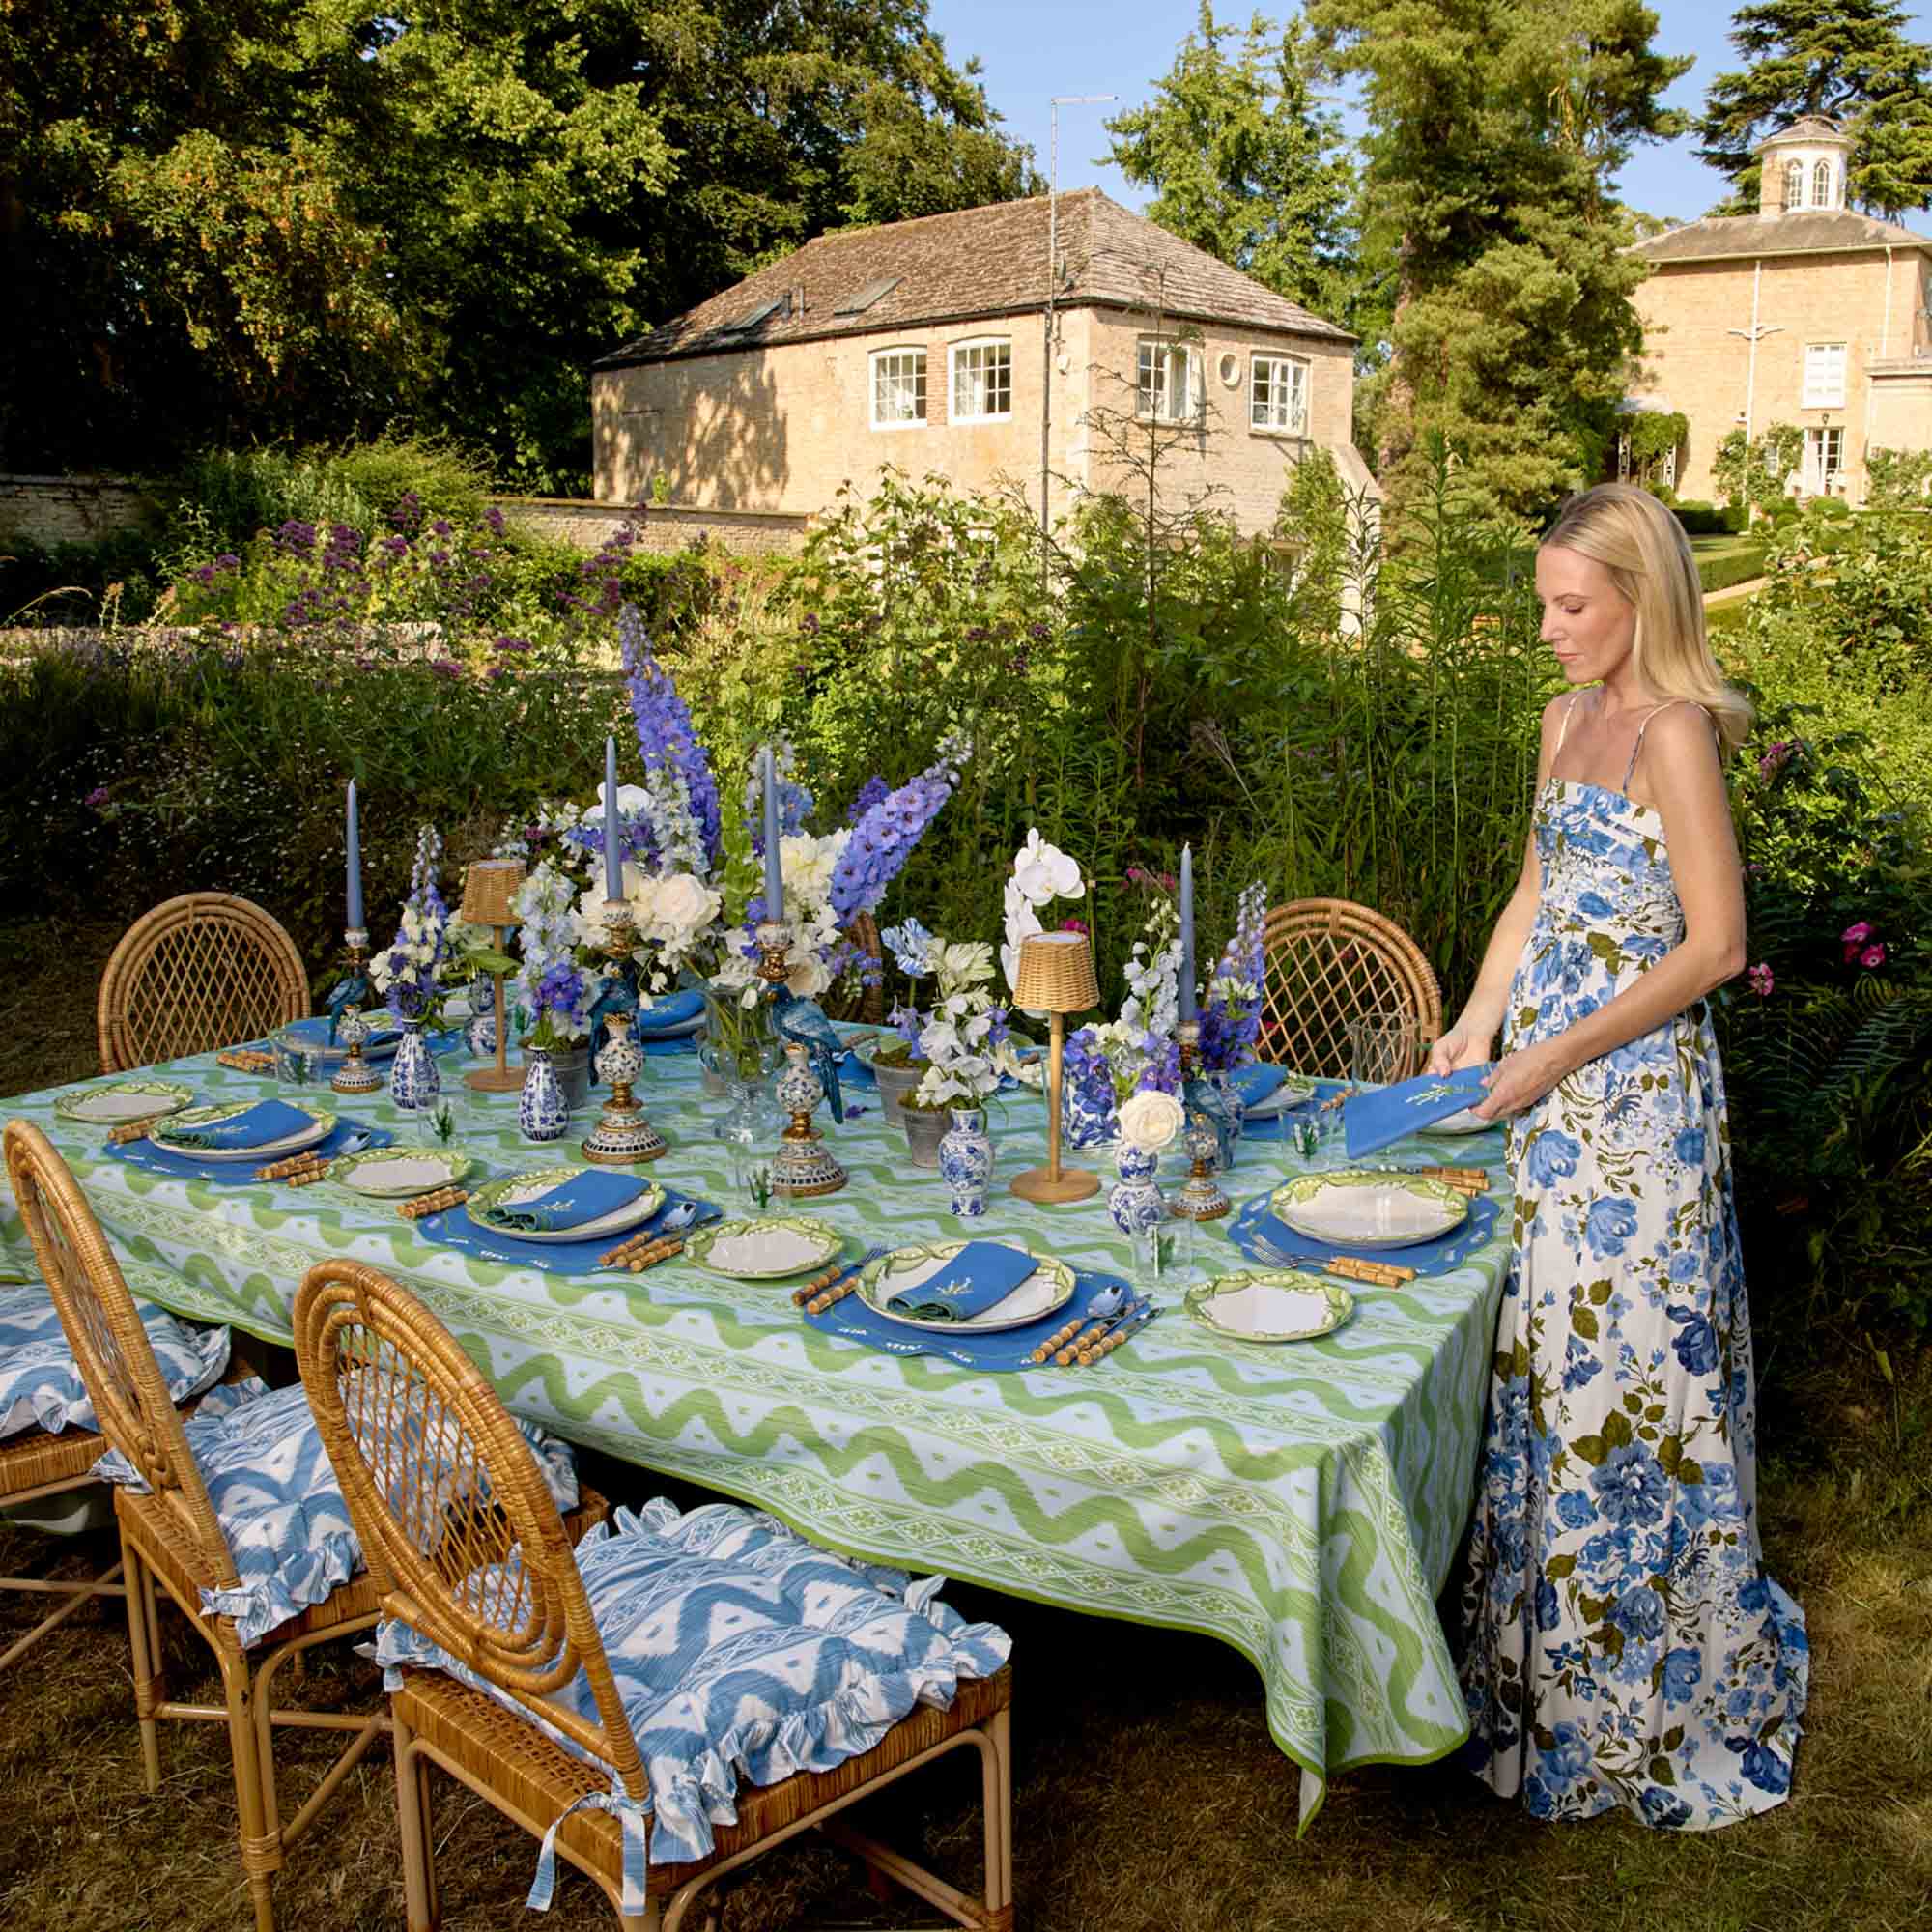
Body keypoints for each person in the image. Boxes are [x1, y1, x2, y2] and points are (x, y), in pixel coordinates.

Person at [1429, 482, 1807, 1829]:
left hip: (1633, 1116)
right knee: (1539, 1370)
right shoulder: (1561, 722)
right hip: (1538, 1103)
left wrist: (1546, 1057)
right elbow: (1535, 893)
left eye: (1570, 605)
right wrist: (1474, 1027)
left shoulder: (1675, 733)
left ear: (1640, 600)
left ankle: (1641, 1693)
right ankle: (1536, 1678)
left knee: (1632, 1383)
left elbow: (1715, 948)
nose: (1548, 628)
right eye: (1544, 601)